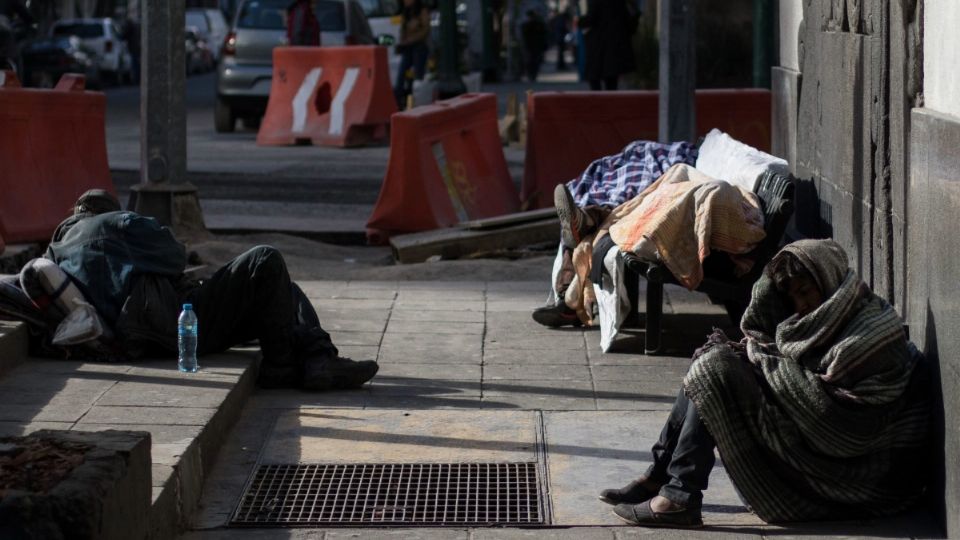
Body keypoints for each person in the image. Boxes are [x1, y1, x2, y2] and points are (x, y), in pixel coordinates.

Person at [599, 239, 931, 527]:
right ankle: (661, 475)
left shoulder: (868, 335)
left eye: (805, 291)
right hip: (818, 427)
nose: (801, 305)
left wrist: (760, 364)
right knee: (712, 361)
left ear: (828, 279)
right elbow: (779, 351)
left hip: (854, 462)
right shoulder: (823, 321)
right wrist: (761, 352)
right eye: (793, 298)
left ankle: (679, 497)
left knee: (717, 369)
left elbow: (840, 420)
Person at [42, 190, 378, 391]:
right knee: (265, 260)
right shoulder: (114, 224)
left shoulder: (57, 249)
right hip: (171, 322)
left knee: (281, 291)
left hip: (141, 333)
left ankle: (315, 360)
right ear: (108, 210)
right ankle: (295, 363)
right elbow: (174, 255)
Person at [532, 140, 698, 327]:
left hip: (625, 203)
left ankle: (567, 298)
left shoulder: (677, 155)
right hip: (619, 201)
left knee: (593, 228)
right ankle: (587, 220)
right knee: (593, 230)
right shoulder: (676, 153)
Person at [579, 0, 635, 90]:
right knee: (611, 82)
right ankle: (608, 102)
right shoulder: (619, 3)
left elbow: (590, 18)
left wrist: (578, 21)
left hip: (597, 48)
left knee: (595, 81)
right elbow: (629, 24)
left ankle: (599, 103)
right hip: (613, 48)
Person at [393, 0, 430, 108]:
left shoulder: (422, 11)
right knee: (401, 74)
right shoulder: (406, 12)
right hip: (408, 48)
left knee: (418, 75)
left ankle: (417, 101)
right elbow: (402, 31)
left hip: (419, 46)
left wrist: (410, 40)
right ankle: (398, 101)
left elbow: (425, 30)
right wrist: (402, 42)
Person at [0, 0, 33, 71]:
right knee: (15, 56)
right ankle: (18, 79)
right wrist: (31, 21)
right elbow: (24, 13)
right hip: (4, 28)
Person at [520, 9, 548, 82]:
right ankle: (531, 75)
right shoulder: (527, 25)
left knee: (534, 61)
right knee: (531, 61)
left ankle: (532, 75)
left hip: (534, 46)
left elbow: (543, 35)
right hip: (530, 46)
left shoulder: (537, 24)